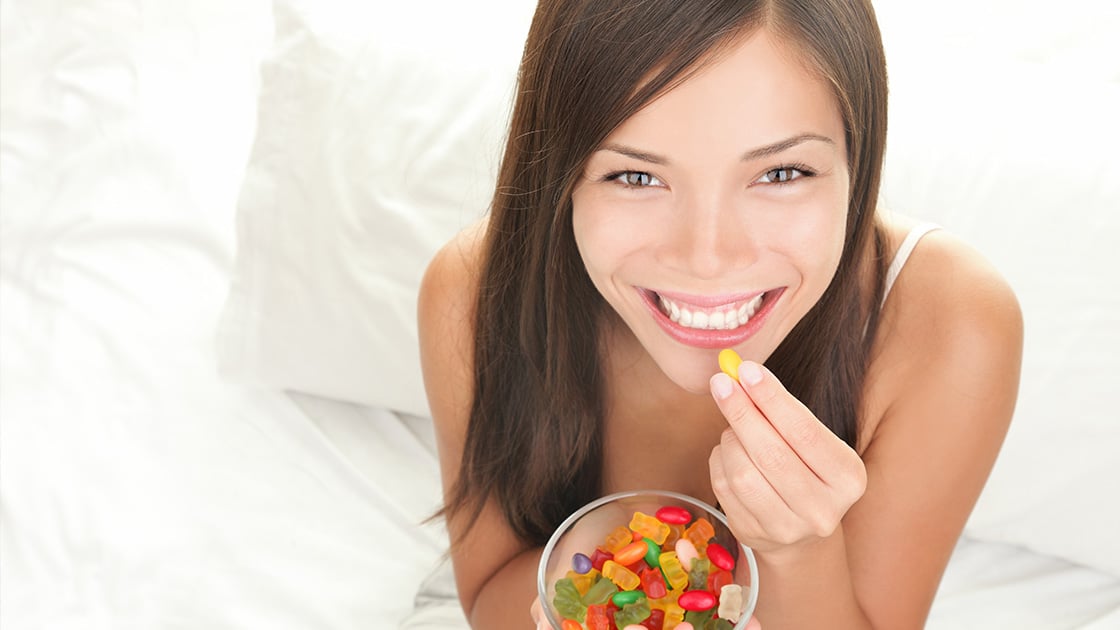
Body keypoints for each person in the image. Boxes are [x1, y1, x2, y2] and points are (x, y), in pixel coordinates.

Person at [416, 0, 1023, 628]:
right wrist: (633, 577)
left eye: (781, 172)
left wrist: (800, 549)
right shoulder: (472, 291)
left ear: (858, 162)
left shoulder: (951, 323)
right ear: (560, 174)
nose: (707, 259)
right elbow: (488, 596)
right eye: (636, 176)